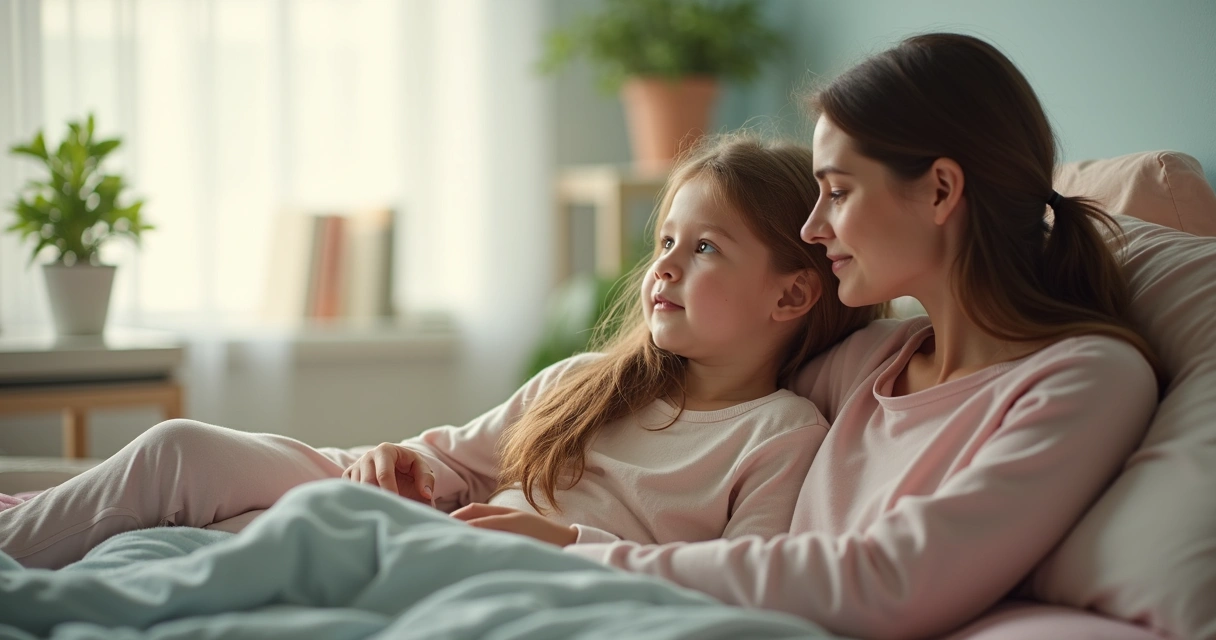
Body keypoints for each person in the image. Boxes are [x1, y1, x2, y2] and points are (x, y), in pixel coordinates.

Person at [484, 33, 1161, 640]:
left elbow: (891, 580)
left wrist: (579, 549)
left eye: (836, 192)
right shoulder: (868, 360)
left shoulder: (1086, 378)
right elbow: (706, 400)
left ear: (940, 191)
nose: (811, 228)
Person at [0, 134, 880, 569]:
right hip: (417, 511)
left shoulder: (780, 433)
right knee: (179, 449)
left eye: (705, 249)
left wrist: (568, 539)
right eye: (664, 243)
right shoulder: (586, 383)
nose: (664, 268)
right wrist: (403, 458)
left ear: (792, 292)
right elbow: (453, 457)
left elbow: (749, 576)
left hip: (488, 558)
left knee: (243, 525)